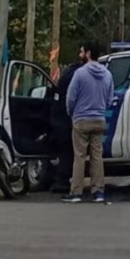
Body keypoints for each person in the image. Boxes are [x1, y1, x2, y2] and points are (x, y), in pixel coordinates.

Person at [62, 42, 113, 203]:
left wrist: (71, 113)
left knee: (79, 156)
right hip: (99, 119)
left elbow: (71, 97)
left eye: (82, 51)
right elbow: (110, 99)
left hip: (81, 119)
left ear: (89, 53)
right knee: (97, 157)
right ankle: (98, 191)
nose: (80, 54)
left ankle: (76, 192)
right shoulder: (107, 74)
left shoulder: (80, 73)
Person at [47, 61, 83, 193]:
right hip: (71, 118)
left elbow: (68, 98)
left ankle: (62, 181)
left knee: (66, 152)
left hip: (61, 117)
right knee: (75, 152)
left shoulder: (70, 74)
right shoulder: (80, 74)